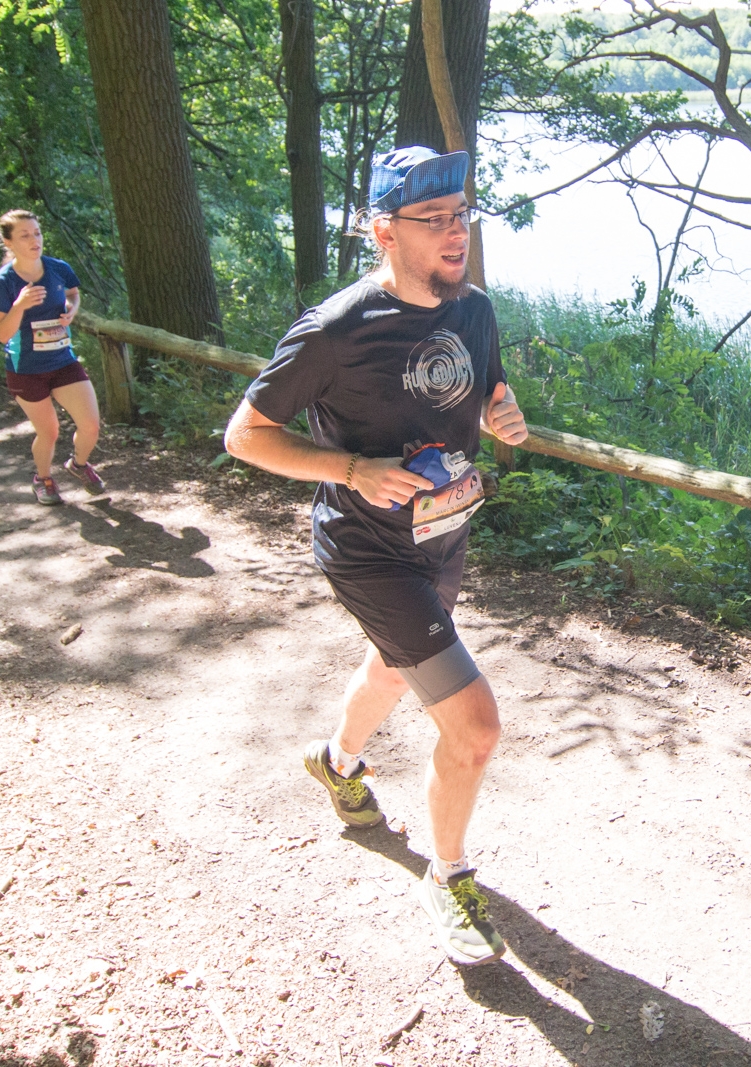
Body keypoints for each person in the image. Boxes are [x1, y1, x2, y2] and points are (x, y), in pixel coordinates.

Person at [224, 147, 528, 966]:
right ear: (383, 230)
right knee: (475, 726)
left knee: (394, 668)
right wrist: (352, 469)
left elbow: (487, 390)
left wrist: (503, 414)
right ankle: (448, 875)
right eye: (435, 220)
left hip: (443, 535)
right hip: (367, 549)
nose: (456, 233)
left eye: (462, 214)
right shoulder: (334, 331)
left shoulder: (475, 310)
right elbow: (244, 435)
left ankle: (336, 762)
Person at [0, 209, 105, 505]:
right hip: (25, 369)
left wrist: (72, 310)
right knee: (49, 432)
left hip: (63, 360)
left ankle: (78, 465)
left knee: (90, 425)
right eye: (24, 235)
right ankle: (43, 479)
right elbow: (1, 333)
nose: (34, 240)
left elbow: (74, 294)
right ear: (8, 241)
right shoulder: (2, 283)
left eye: (37, 233)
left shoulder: (58, 268)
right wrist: (20, 305)